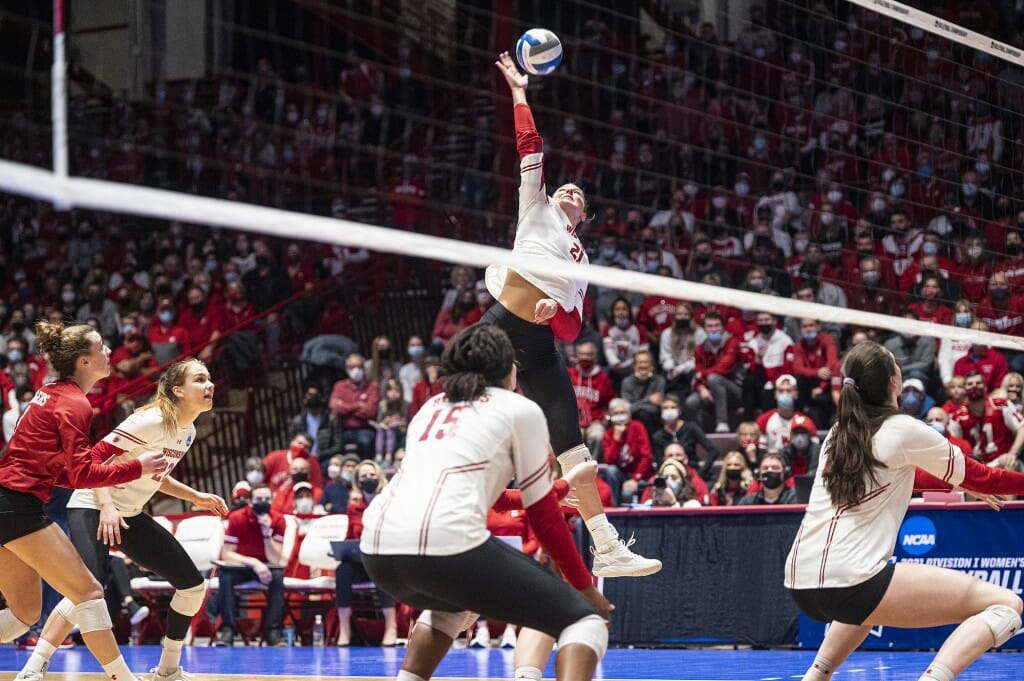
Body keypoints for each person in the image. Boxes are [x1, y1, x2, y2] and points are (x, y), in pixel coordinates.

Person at [479, 51, 660, 578]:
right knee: (465, 408)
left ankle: (605, 546)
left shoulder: (582, 261)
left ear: (583, 218)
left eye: (578, 195)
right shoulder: (534, 206)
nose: (570, 190)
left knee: (576, 453)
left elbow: (572, 328)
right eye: (566, 188)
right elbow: (530, 147)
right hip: (500, 328)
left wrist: (553, 311)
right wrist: (518, 94)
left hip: (537, 343)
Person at [360, 323, 611, 681]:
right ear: (510, 368)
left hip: (378, 550)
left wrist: (561, 487)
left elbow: (492, 499)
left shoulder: (430, 408)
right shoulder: (518, 409)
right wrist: (585, 587)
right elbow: (545, 520)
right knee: (583, 620)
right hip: (443, 544)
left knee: (456, 605)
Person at [785, 341, 1024, 681]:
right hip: (851, 582)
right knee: (1006, 605)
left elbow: (899, 477)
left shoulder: (839, 433)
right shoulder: (904, 429)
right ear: (893, 383)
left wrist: (957, 484)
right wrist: (971, 482)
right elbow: (986, 477)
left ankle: (816, 676)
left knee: (864, 607)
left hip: (801, 582)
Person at [16, 359, 229, 681]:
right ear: (178, 390)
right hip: (92, 505)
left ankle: (167, 670)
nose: (209, 385)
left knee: (192, 586)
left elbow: (158, 476)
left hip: (127, 514)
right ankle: (34, 668)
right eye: (200, 379)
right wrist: (108, 506)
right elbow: (93, 461)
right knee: (86, 591)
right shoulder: (149, 420)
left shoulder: (188, 432)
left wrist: (196, 497)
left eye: (210, 378)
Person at [0, 321, 167, 681]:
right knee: (89, 591)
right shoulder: (75, 403)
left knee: (24, 613)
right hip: (16, 507)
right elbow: (80, 477)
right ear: (83, 361)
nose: (108, 351)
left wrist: (107, 457)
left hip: (7, 504)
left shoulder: (48, 394)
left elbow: (56, 472)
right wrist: (136, 467)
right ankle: (125, 678)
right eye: (101, 346)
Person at [215, 483, 287, 647]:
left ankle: (273, 632)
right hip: (242, 566)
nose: (263, 502)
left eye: (267, 499)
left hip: (267, 566)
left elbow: (275, 559)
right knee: (225, 576)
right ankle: (228, 630)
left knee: (277, 577)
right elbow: (227, 554)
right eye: (259, 499)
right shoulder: (237, 518)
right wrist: (254, 562)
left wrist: (266, 534)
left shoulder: (278, 520)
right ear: (250, 501)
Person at [335, 460, 396, 646]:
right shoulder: (353, 508)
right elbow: (349, 536)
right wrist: (343, 549)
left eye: (371, 475)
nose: (368, 479)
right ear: (357, 481)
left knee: (380, 570)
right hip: (360, 560)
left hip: (384, 560)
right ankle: (344, 629)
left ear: (379, 477)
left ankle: (391, 627)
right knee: (342, 570)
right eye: (363, 476)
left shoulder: (389, 503)